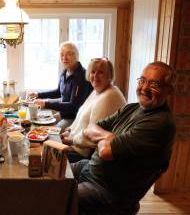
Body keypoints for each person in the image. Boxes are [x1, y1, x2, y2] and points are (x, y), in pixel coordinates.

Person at [71, 62, 176, 214]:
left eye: (154, 84)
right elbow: (91, 127)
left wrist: (107, 141)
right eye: (142, 81)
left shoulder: (161, 123)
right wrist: (111, 137)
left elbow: (105, 151)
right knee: (49, 173)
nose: (145, 88)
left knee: (57, 197)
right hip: (90, 169)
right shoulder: (131, 108)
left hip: (108, 192)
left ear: (169, 91)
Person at [60, 58, 126, 163]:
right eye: (93, 72)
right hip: (77, 145)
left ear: (109, 75)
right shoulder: (98, 91)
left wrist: (71, 139)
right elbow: (81, 118)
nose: (95, 76)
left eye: (100, 72)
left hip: (86, 154)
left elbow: (92, 135)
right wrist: (69, 130)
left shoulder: (110, 95)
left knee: (46, 157)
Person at [27, 41, 93, 131]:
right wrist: (38, 94)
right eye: (62, 55)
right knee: (38, 124)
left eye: (68, 54)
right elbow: (58, 92)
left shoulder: (81, 76)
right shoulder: (66, 71)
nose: (64, 58)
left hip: (75, 118)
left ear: (76, 56)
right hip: (64, 114)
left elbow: (74, 106)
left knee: (49, 132)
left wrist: (46, 104)